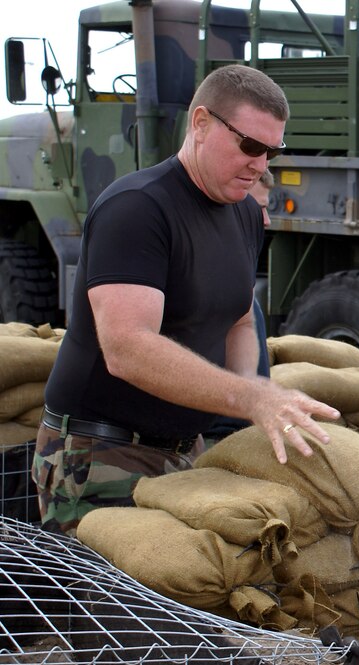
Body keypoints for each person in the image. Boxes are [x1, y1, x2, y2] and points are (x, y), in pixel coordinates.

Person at [34, 65, 339, 534]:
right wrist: (249, 395)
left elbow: (238, 319)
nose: (261, 164)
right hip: (99, 453)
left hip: (181, 450)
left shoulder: (242, 214)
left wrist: (249, 397)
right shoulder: (137, 208)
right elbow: (127, 348)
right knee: (112, 605)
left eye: (272, 151)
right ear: (201, 124)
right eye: (250, 146)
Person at [204, 170, 276, 443]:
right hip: (217, 435)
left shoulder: (235, 281)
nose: (267, 220)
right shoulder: (208, 283)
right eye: (260, 209)